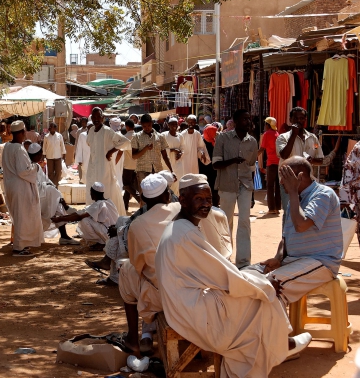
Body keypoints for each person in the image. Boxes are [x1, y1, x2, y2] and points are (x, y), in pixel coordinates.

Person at [157, 174, 312, 377]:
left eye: (208, 199)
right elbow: (223, 275)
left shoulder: (180, 227)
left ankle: (278, 342)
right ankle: (281, 343)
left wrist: (260, 283)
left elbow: (220, 272)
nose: (205, 205)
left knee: (256, 289)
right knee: (262, 297)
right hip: (190, 312)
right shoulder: (185, 234)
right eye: (199, 199)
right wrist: (264, 285)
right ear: (183, 199)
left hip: (185, 304)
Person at [246, 156, 343, 305]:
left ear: (300, 177)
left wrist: (292, 192)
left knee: (268, 287)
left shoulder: (323, 194)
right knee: (244, 278)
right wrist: (278, 259)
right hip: (294, 261)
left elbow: (301, 225)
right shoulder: (295, 199)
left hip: (320, 262)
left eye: (284, 176)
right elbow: (285, 238)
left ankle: (273, 328)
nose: (281, 182)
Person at [117, 173, 180, 354]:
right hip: (192, 289)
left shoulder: (137, 225)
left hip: (163, 297)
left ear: (143, 199)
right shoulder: (181, 209)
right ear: (168, 195)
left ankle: (132, 339)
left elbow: (138, 264)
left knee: (126, 270)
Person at [213, 109, 258, 268]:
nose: (248, 122)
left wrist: (252, 194)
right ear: (236, 121)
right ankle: (225, 259)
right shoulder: (223, 138)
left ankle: (243, 262)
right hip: (227, 185)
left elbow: (252, 167)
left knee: (245, 222)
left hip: (245, 185)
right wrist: (232, 160)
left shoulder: (252, 141)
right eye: (245, 119)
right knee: (226, 222)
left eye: (249, 119)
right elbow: (215, 164)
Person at [2, 121, 44, 256]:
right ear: (21, 133)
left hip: (11, 185)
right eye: (24, 131)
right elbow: (23, 171)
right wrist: (36, 167)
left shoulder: (7, 146)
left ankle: (21, 244)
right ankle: (18, 247)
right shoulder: (19, 149)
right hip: (20, 187)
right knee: (22, 217)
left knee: (19, 217)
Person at [27, 143, 80, 245]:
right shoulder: (30, 167)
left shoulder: (36, 166)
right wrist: (52, 189)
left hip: (43, 196)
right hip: (34, 197)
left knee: (57, 203)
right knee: (55, 198)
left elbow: (46, 180)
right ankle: (65, 208)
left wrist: (53, 188)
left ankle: (64, 236)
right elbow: (35, 185)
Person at [276, 107, 324, 212]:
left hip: (308, 182)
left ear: (305, 120)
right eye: (296, 118)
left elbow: (320, 160)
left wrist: (311, 160)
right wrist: (293, 135)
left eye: (302, 118)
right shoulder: (282, 138)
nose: (299, 121)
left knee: (307, 212)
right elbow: (284, 155)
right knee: (289, 213)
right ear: (290, 119)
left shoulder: (313, 138)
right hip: (288, 181)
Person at [85, 108, 130, 215]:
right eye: (94, 117)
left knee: (106, 191)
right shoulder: (91, 131)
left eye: (98, 117)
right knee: (92, 191)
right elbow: (89, 144)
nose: (96, 119)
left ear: (102, 118)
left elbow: (125, 142)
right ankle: (94, 215)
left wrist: (111, 151)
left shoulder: (107, 131)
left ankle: (109, 217)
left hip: (104, 168)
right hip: (92, 168)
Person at [52, 182, 119, 249]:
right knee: (87, 217)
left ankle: (101, 242)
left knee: (84, 220)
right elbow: (79, 212)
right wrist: (65, 208)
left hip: (108, 234)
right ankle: (102, 241)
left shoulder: (98, 204)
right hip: (114, 234)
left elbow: (79, 216)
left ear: (93, 193)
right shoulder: (109, 202)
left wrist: (60, 219)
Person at [131, 113, 173, 193]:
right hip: (142, 171)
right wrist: (145, 149)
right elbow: (134, 156)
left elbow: (165, 156)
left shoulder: (160, 137)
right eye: (144, 126)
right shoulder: (136, 137)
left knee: (158, 194)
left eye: (149, 125)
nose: (147, 128)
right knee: (144, 196)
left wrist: (172, 170)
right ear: (141, 125)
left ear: (152, 123)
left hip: (157, 170)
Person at [258, 117, 281, 214]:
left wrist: (254, 156)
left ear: (268, 125)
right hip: (279, 162)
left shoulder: (267, 134)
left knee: (270, 186)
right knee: (278, 186)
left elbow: (262, 148)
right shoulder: (277, 134)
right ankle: (277, 208)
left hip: (271, 163)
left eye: (265, 124)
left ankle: (271, 208)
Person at [160, 117, 184, 195]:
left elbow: (183, 148)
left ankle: (176, 199)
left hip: (178, 163)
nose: (174, 126)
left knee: (178, 182)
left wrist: (180, 153)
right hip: (166, 163)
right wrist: (172, 150)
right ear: (168, 125)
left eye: (175, 124)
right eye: (172, 124)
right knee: (168, 182)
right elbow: (160, 148)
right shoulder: (163, 135)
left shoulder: (180, 136)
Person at [199, 123, 220, 207]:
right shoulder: (202, 143)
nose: (216, 134)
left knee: (214, 188)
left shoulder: (215, 142)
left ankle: (214, 205)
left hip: (213, 169)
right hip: (205, 169)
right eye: (214, 132)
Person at [122, 119, 140, 210]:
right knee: (129, 187)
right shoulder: (137, 136)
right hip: (137, 165)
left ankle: (139, 198)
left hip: (127, 165)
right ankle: (125, 205)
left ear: (127, 127)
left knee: (126, 185)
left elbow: (120, 152)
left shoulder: (125, 137)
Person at [42, 122, 66, 186]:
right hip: (49, 157)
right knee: (50, 173)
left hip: (58, 157)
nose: (51, 128)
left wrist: (64, 155)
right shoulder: (46, 137)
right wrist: (44, 155)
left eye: (52, 127)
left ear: (55, 128)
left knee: (58, 172)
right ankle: (52, 185)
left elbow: (62, 145)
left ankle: (56, 184)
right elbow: (44, 146)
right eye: (50, 127)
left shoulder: (59, 136)